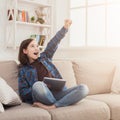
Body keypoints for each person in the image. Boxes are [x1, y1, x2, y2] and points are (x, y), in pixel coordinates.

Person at [18, 19, 89, 110]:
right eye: (32, 46)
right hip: (42, 94)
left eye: (37, 46)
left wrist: (65, 28)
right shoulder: (23, 69)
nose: (36, 49)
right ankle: (63, 102)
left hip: (58, 93)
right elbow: (23, 93)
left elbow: (53, 43)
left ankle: (53, 106)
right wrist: (43, 86)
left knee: (83, 88)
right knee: (38, 85)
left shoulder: (45, 57)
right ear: (24, 51)